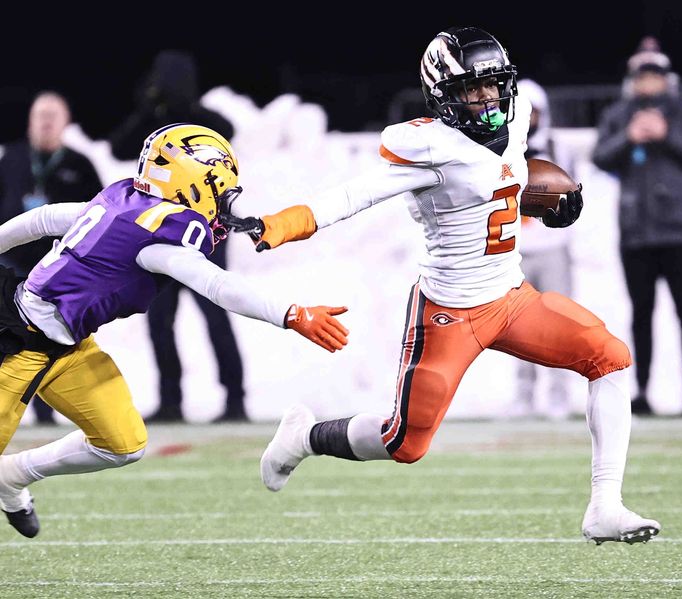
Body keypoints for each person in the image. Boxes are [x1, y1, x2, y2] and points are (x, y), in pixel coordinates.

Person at [236, 27, 660, 544]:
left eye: (493, 85)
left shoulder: (519, 113)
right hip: (449, 313)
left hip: (511, 298)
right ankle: (302, 437)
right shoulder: (429, 147)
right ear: (442, 94)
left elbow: (504, 177)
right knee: (404, 442)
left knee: (609, 356)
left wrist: (548, 196)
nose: (487, 98)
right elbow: (353, 196)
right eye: (471, 88)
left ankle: (605, 506)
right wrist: (283, 223)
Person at [0, 123, 349, 538]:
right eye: (219, 191)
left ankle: (11, 476)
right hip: (16, 344)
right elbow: (218, 285)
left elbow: (44, 218)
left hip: (68, 347)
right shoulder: (158, 237)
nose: (223, 203)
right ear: (193, 184)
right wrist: (290, 314)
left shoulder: (126, 198)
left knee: (122, 443)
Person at [108, 50, 246, 422]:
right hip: (161, 235)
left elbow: (228, 134)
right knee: (160, 320)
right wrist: (150, 113)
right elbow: (119, 146)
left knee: (216, 313)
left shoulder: (203, 124)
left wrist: (184, 113)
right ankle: (171, 400)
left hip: (205, 235)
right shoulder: (153, 127)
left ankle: (235, 398)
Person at [591, 37, 682, 416]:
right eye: (642, 74)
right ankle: (643, 391)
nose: (648, 81)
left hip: (679, 232)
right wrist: (629, 137)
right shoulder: (619, 114)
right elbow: (599, 156)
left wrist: (667, 134)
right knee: (641, 315)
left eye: (654, 74)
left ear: (666, 77)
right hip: (636, 234)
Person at [0, 91, 103, 425]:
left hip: (60, 269)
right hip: (13, 265)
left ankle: (57, 408)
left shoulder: (79, 164)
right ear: (30, 120)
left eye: (52, 115)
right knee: (13, 338)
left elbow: (103, 217)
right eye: (39, 115)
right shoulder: (12, 158)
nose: (45, 122)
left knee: (55, 338)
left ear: (65, 122)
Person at [509, 78, 577, 420]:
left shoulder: (558, 147)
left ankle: (559, 395)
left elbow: (575, 199)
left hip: (552, 248)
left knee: (558, 322)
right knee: (519, 327)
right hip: (514, 251)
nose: (529, 118)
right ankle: (523, 395)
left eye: (533, 112)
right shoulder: (499, 148)